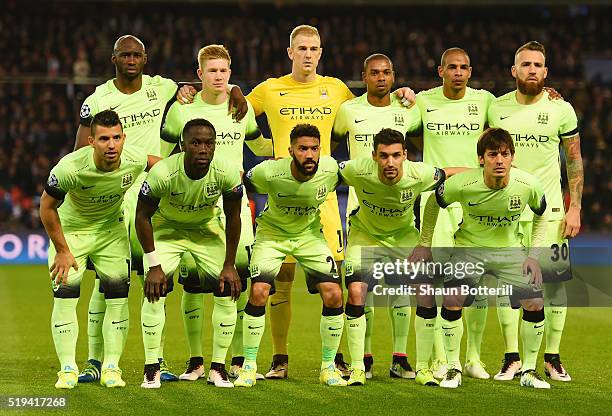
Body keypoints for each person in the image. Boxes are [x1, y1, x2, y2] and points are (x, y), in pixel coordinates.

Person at [75, 34, 248, 384]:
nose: (131, 60)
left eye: (137, 54)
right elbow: (81, 148)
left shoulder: (163, 87)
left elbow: (202, 86)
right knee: (109, 280)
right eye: (124, 55)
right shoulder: (98, 98)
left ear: (146, 58)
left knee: (155, 281)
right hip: (117, 194)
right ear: (114, 59)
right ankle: (96, 360)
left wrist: (236, 90)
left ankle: (158, 361)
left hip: (158, 190)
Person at [161, 44, 272, 381]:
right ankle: (195, 361)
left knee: (235, 282)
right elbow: (163, 154)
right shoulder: (182, 111)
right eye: (212, 71)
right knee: (193, 286)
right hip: (194, 207)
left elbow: (260, 145)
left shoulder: (241, 108)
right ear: (199, 75)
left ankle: (231, 360)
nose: (219, 77)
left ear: (230, 72)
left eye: (224, 71)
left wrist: (290, 145)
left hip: (234, 205)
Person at [417, 127, 551, 389]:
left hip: (510, 250)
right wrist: (424, 243)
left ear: (513, 157)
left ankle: (529, 371)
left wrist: (533, 256)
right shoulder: (462, 183)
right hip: (469, 248)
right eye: (492, 155)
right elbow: (434, 202)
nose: (499, 160)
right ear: (481, 159)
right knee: (453, 298)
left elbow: (541, 214)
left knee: (534, 301)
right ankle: (453, 369)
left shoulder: (528, 184)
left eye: (505, 154)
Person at [41, 110, 158, 389]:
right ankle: (67, 369)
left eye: (116, 138)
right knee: (66, 296)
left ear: (123, 138)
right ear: (91, 141)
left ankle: (111, 368)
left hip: (111, 231)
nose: (111, 145)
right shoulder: (70, 168)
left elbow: (163, 166)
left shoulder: (134, 158)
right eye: (104, 139)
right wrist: (62, 250)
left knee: (118, 298)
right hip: (72, 233)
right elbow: (46, 207)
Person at [488, 41, 582, 382]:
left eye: (537, 64)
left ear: (546, 72)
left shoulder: (562, 109)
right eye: (524, 64)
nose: (531, 69)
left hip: (553, 211)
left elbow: (574, 160)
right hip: (508, 211)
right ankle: (511, 356)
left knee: (555, 286)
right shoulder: (495, 108)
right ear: (514, 71)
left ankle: (552, 357)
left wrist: (576, 208)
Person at [338, 128, 458, 386]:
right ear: (374, 156)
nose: (389, 162)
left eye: (395, 155)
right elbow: (324, 171)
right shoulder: (356, 169)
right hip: (364, 236)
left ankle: (423, 368)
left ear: (405, 155)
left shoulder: (419, 173)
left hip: (404, 238)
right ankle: (358, 367)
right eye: (383, 156)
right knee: (357, 291)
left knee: (425, 292)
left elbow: (450, 172)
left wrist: (486, 173)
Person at [234, 124, 345, 387]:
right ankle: (248, 367)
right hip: (272, 236)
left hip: (309, 236)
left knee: (334, 294)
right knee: (259, 292)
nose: (309, 154)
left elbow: (366, 176)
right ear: (291, 150)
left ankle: (328, 367)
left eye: (314, 148)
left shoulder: (330, 170)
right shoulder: (270, 172)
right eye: (303, 148)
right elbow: (240, 181)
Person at [331, 54, 421, 380]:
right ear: (364, 76)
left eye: (386, 73)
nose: (381, 78)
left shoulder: (407, 109)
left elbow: (426, 142)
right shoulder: (349, 111)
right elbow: (330, 144)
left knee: (400, 288)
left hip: (399, 216)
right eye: (374, 73)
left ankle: (400, 357)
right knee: (361, 288)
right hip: (361, 214)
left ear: (393, 76)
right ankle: (364, 358)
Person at [136, 118, 243, 389]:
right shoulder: (162, 173)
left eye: (208, 143)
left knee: (228, 286)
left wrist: (229, 264)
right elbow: (142, 217)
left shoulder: (226, 171)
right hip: (167, 230)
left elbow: (233, 217)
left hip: (205, 230)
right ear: (183, 145)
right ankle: (151, 369)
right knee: (154, 290)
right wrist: (153, 265)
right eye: (196, 143)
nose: (203, 149)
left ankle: (218, 368)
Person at [413, 47, 495, 381]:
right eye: (452, 67)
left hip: (477, 199)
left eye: (463, 67)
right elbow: (393, 113)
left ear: (470, 71)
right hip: (438, 201)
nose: (458, 72)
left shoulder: (486, 101)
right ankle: (442, 359)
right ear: (440, 71)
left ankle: (473, 356)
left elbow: (514, 105)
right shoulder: (422, 101)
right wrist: (401, 93)